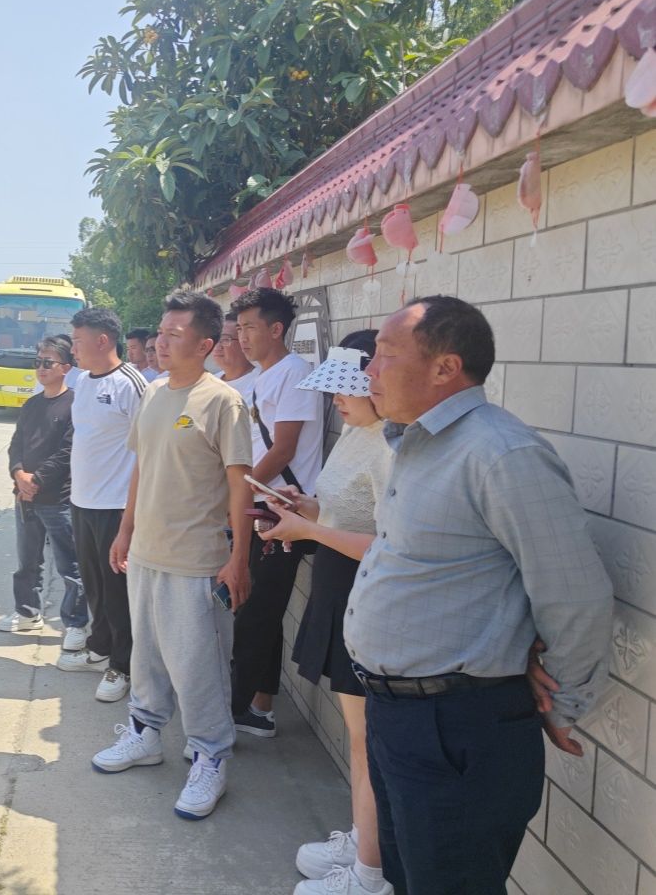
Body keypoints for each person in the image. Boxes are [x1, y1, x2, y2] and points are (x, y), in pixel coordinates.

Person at [348, 296, 612, 895]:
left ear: (445, 367)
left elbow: (577, 597)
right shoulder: (418, 443)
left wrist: (562, 702)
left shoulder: (501, 453)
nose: (370, 372)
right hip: (400, 718)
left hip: (456, 728)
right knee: (409, 879)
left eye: (385, 356)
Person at [94, 290, 254, 821]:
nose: (159, 343)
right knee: (147, 655)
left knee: (198, 665)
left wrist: (239, 559)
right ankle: (145, 734)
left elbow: (240, 486)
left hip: (198, 560)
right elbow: (141, 467)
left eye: (173, 335)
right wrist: (126, 530)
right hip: (146, 554)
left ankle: (211, 757)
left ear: (205, 344)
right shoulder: (155, 393)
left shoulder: (223, 401)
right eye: (160, 333)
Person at [254, 332, 393, 895]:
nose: (335, 400)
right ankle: (364, 840)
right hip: (339, 590)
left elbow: (393, 547)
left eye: (345, 389)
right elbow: (343, 512)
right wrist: (307, 509)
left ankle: (370, 873)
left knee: (367, 740)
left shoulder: (394, 446)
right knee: (360, 736)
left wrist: (310, 529)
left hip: (367, 597)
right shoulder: (357, 433)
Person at [230, 287, 324, 737]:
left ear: (276, 329)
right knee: (260, 609)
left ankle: (231, 713)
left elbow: (284, 447)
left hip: (282, 511)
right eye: (239, 328)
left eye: (250, 327)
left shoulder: (295, 373)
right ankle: (259, 707)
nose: (242, 337)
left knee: (255, 614)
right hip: (261, 506)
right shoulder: (262, 376)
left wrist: (239, 493)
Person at [59, 307, 146, 702]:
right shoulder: (81, 381)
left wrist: (133, 513)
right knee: (94, 584)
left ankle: (123, 666)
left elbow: (148, 450)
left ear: (103, 341)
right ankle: (100, 648)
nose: (73, 349)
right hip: (83, 502)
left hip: (116, 505)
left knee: (118, 590)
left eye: (78, 341)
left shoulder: (131, 384)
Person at [0, 334, 89, 652]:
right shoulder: (32, 404)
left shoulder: (76, 404)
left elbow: (68, 452)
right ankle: (27, 612)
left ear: (66, 367)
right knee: (27, 561)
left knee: (70, 566)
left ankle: (75, 623)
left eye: (48, 363)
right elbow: (16, 445)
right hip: (25, 498)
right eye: (37, 362)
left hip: (57, 500)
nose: (41, 368)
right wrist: (18, 474)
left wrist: (36, 480)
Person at [213, 312, 257, 403]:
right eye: (215, 339)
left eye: (225, 339)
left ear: (243, 342)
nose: (217, 346)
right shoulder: (209, 383)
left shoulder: (261, 383)